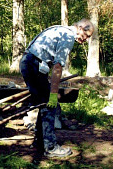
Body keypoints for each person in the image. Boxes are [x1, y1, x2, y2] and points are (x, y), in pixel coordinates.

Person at [19, 19, 94, 158]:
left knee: (43, 103)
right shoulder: (68, 37)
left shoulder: (60, 30)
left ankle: (39, 142)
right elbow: (58, 67)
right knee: (49, 103)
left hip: (29, 62)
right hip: (33, 64)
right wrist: (54, 94)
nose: (86, 39)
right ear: (80, 28)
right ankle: (50, 147)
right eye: (87, 35)